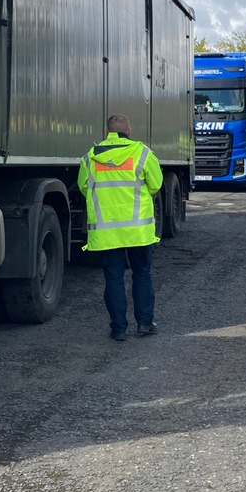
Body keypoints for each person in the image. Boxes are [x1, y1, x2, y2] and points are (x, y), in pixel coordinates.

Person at [77, 114, 163, 342]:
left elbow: (84, 188)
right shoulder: (142, 153)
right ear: (129, 131)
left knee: (113, 278)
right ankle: (144, 324)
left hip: (107, 232)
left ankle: (119, 329)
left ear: (107, 132)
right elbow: (155, 185)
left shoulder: (90, 157)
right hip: (138, 230)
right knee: (142, 274)